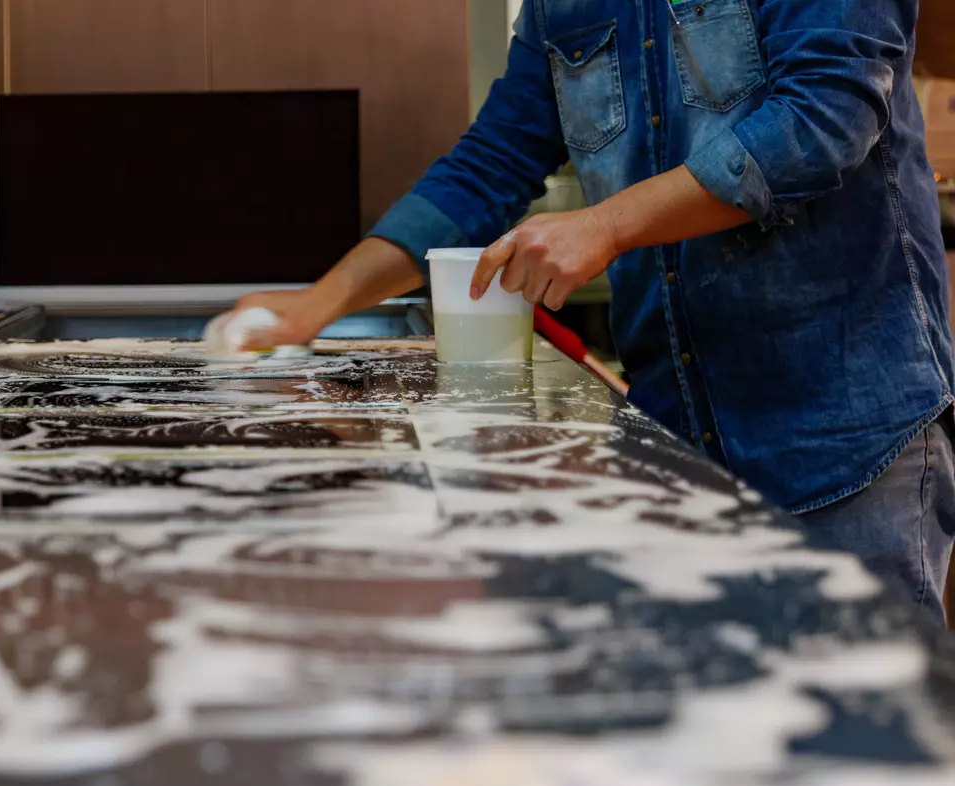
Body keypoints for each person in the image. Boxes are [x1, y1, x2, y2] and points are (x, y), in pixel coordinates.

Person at [232, 0, 955, 621]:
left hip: (844, 439)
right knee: (716, 747)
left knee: (869, 750)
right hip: (674, 447)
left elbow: (822, 117)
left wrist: (604, 225)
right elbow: (491, 162)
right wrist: (314, 308)